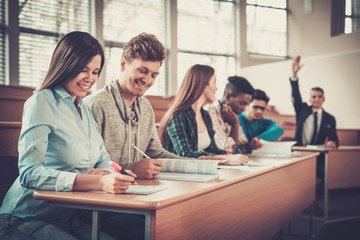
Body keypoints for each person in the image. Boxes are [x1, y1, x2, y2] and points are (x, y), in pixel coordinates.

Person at [0, 31, 143, 240]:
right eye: (83, 70)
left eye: (95, 71)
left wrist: (104, 174)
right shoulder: (41, 102)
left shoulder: (83, 107)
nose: (91, 79)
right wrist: (95, 182)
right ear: (65, 65)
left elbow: (103, 159)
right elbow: (29, 173)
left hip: (65, 217)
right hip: (23, 219)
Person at [85, 33, 181, 180]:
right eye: (142, 71)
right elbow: (88, 165)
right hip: (105, 193)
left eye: (154, 75)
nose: (148, 80)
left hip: (136, 189)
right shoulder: (97, 104)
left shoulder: (145, 106)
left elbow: (155, 152)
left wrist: (194, 163)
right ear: (123, 64)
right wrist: (132, 169)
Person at [158, 64, 248, 165]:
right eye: (214, 82)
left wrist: (231, 157)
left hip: (200, 173)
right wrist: (225, 159)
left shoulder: (205, 115)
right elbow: (185, 154)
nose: (216, 88)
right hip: (180, 175)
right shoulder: (177, 116)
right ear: (203, 85)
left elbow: (213, 149)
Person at [290, 56, 339, 147]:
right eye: (314, 96)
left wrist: (333, 143)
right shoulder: (302, 109)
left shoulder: (330, 118)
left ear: (324, 99)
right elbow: (296, 96)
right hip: (299, 150)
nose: (317, 99)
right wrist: (294, 75)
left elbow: (334, 138)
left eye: (320, 96)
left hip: (317, 154)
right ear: (310, 99)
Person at [206, 76, 254, 154]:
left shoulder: (232, 114)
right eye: (242, 103)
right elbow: (227, 150)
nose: (244, 109)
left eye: (247, 105)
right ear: (228, 97)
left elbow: (245, 147)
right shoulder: (211, 112)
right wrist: (235, 124)